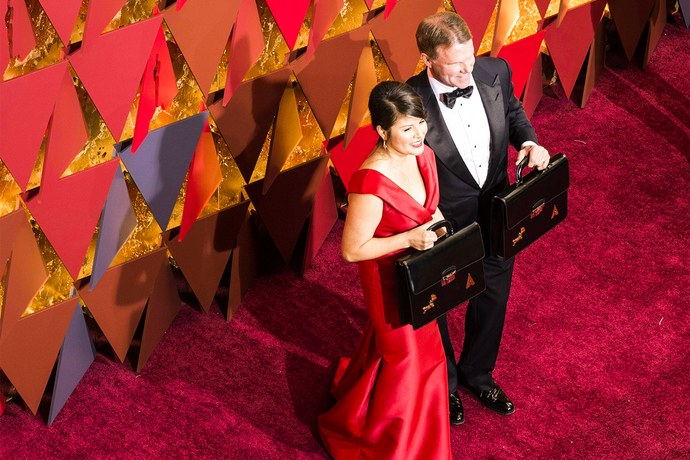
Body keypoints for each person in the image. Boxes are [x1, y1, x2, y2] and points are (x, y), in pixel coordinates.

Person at [407, 12, 550, 425]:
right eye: (455, 64)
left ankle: (478, 373)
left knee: (494, 298)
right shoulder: (408, 100)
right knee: (437, 308)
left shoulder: (495, 69)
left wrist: (529, 141)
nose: (468, 70)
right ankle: (446, 385)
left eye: (470, 57)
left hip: (496, 212)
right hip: (439, 224)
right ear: (427, 59)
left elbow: (513, 110)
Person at [318, 81, 451, 459]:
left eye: (420, 123)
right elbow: (351, 250)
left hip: (422, 269)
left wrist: (444, 241)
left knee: (424, 351)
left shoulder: (421, 154)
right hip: (388, 280)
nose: (418, 134)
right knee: (410, 361)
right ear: (381, 131)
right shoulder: (369, 183)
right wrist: (410, 240)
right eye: (406, 128)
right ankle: (391, 448)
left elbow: (429, 210)